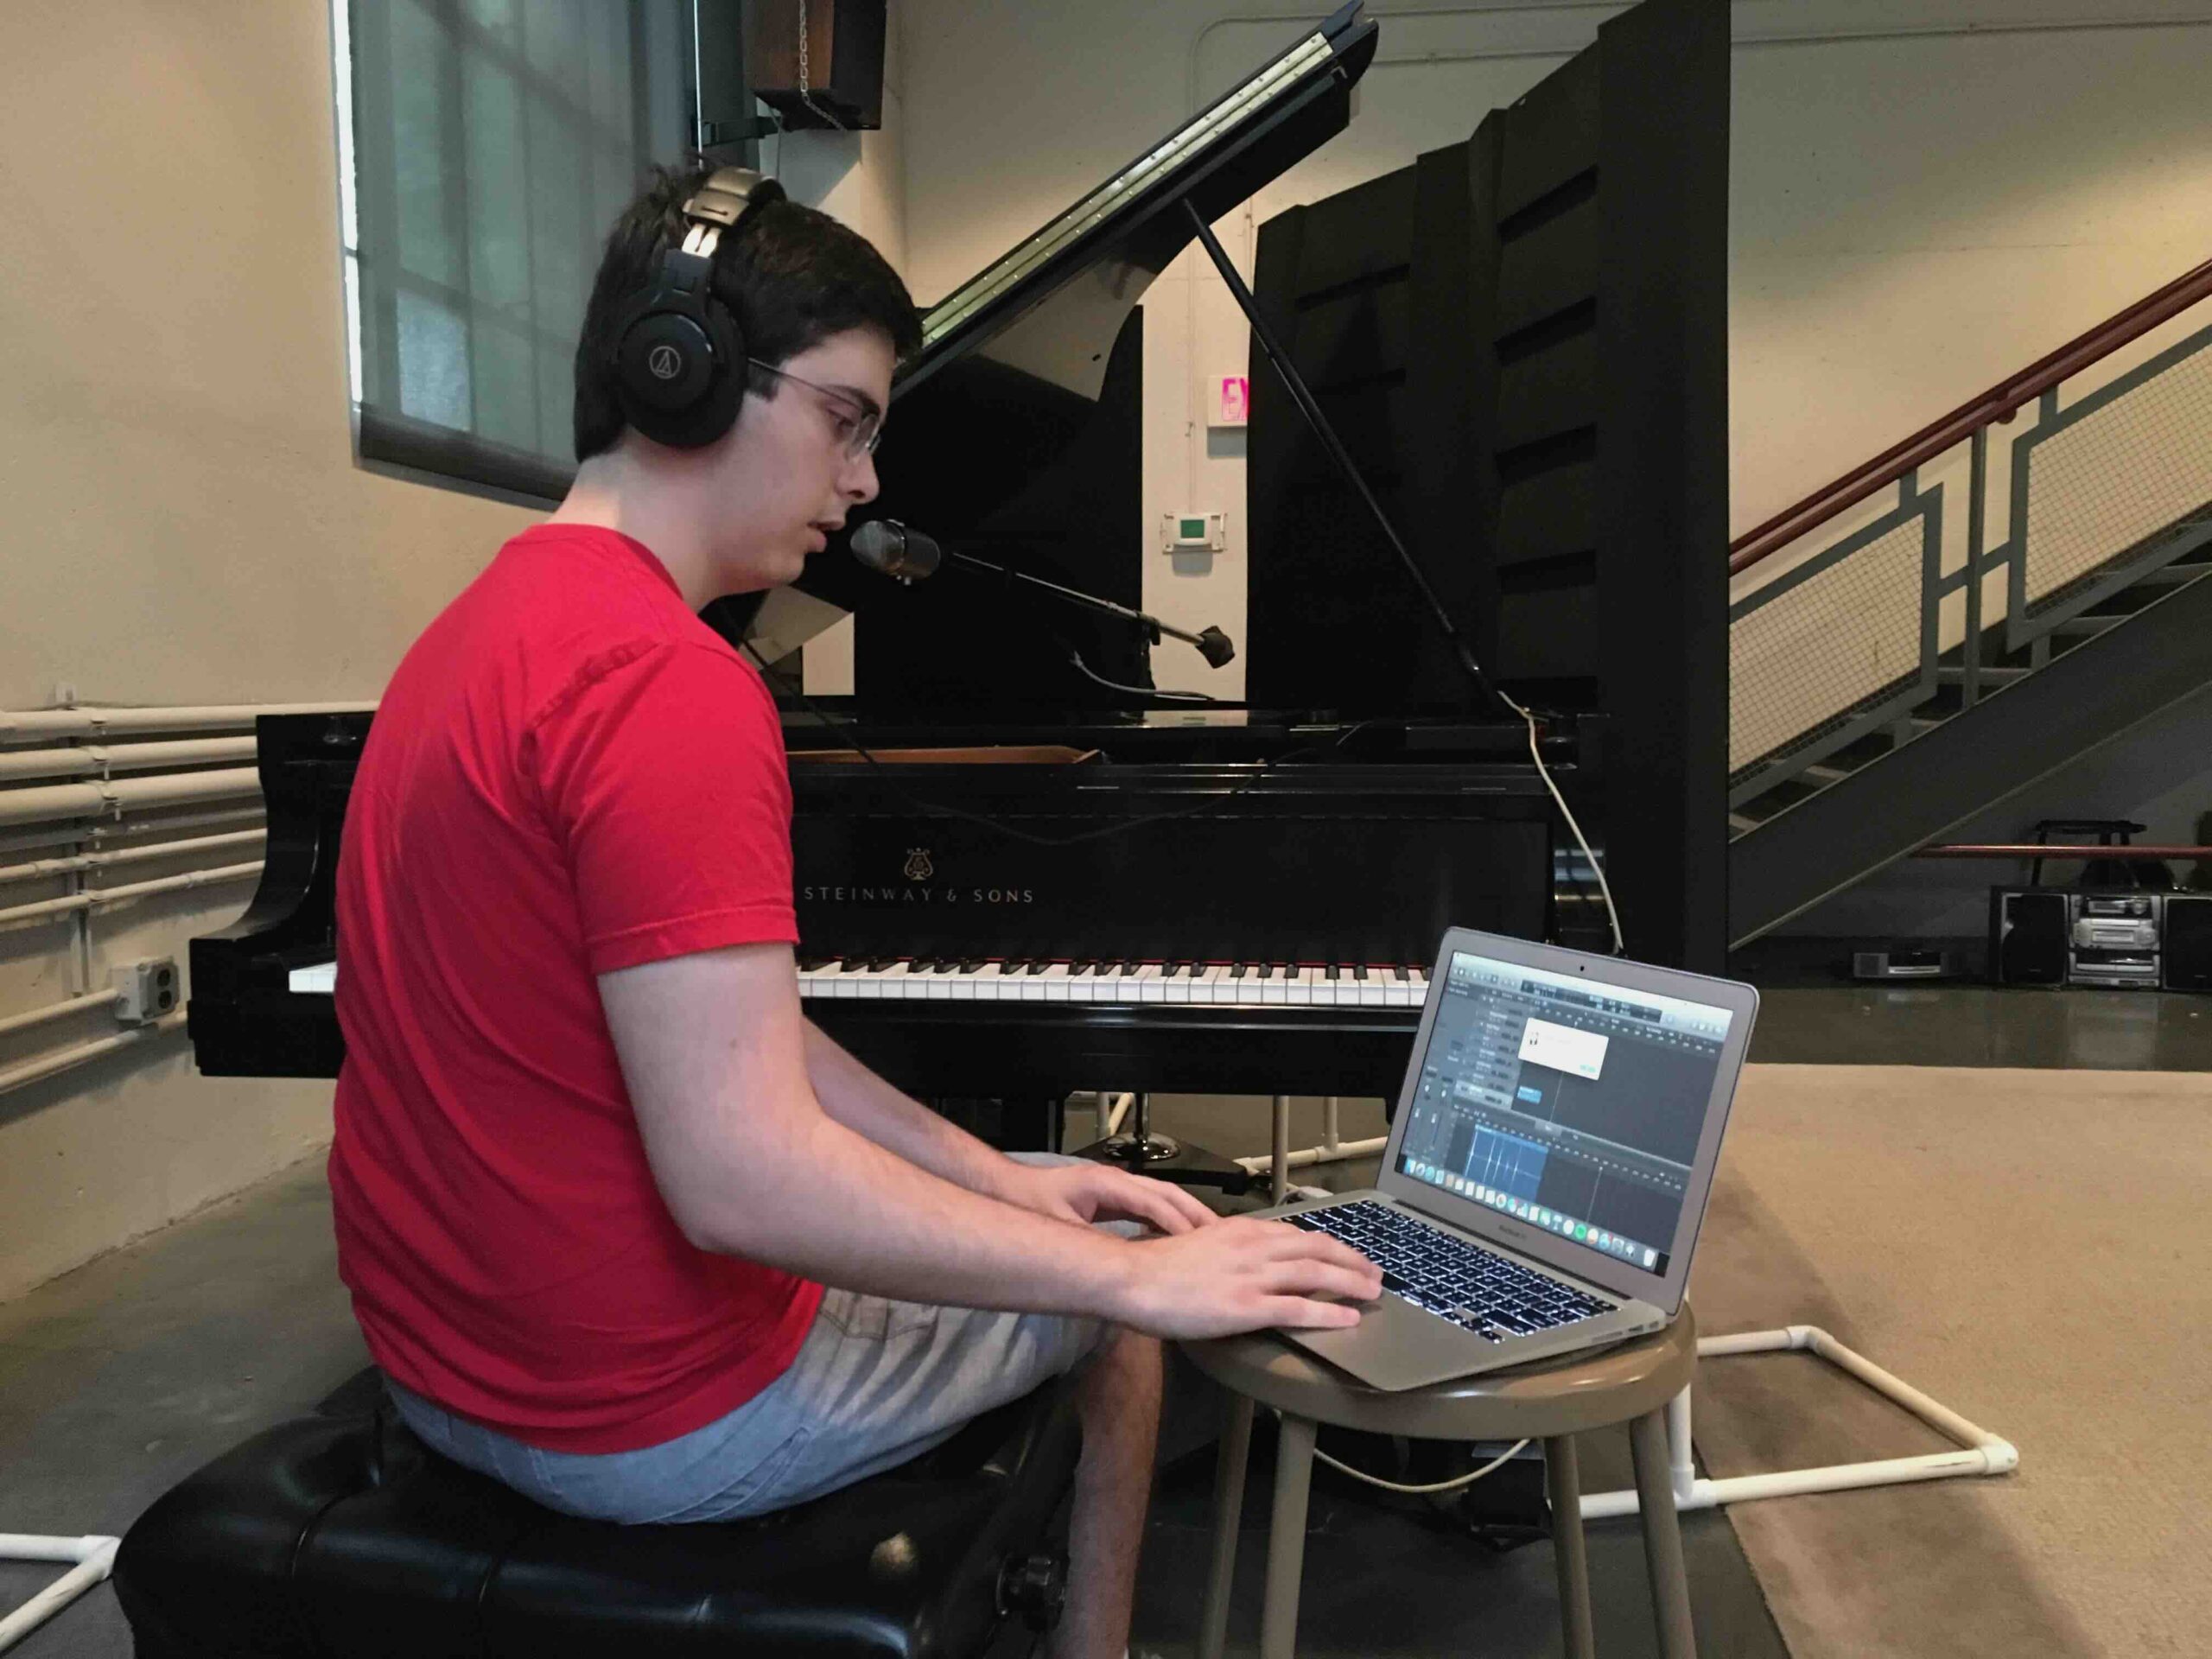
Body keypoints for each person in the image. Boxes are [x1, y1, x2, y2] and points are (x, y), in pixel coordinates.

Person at [327, 163, 1380, 1659]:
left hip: (441, 1368)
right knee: (1126, 1318)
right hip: (630, 1417)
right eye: (847, 419)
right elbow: (743, 1185)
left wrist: (992, 1177)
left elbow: (738, 1043)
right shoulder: (669, 688)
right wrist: (1129, 1275)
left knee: (1036, 1191)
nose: (868, 480)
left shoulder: (470, 635)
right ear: (684, 383)